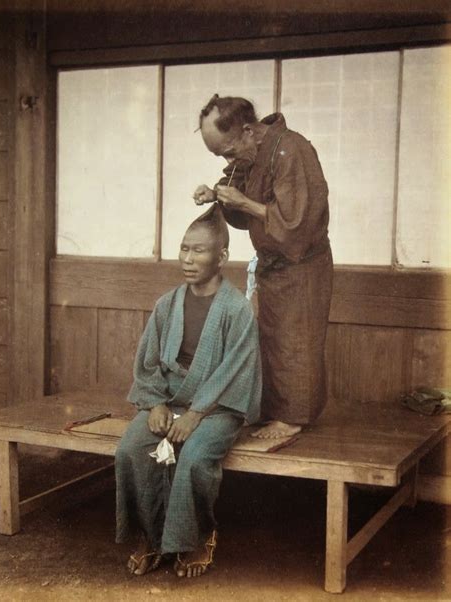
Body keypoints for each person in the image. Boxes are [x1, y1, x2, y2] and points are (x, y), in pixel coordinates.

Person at [115, 204, 261, 578]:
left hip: (218, 406)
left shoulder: (236, 310)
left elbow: (237, 372)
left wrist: (196, 414)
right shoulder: (167, 305)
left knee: (195, 457)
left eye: (199, 250)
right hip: (169, 397)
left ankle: (198, 537)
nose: (188, 259)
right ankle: (151, 536)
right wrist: (156, 403)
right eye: (184, 249)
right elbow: (148, 364)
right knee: (132, 448)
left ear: (222, 256)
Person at [194, 95, 333, 440]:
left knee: (295, 340)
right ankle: (274, 411)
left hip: (301, 265)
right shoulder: (252, 152)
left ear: (246, 130)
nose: (228, 160)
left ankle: (294, 417)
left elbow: (297, 223)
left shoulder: (290, 149)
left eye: (227, 151)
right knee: (271, 339)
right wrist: (217, 195)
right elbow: (240, 196)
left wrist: (244, 203)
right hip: (272, 265)